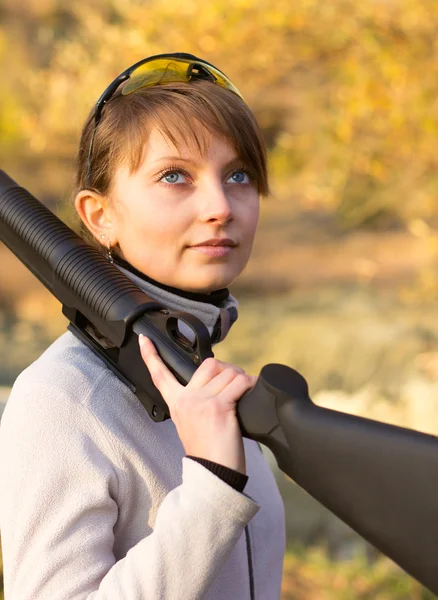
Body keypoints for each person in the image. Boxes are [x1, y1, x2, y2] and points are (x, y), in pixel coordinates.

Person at [0, 53, 285, 599]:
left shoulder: (206, 379)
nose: (221, 206)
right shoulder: (63, 400)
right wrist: (212, 484)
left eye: (239, 175)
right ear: (99, 216)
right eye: (174, 175)